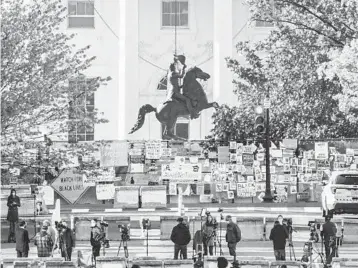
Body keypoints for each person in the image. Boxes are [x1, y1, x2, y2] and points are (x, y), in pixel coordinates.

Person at [166, 55, 199, 119]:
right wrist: (183, 68)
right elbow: (181, 76)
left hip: (174, 90)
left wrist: (182, 86)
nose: (176, 68)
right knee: (187, 99)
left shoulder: (170, 74)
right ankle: (192, 114)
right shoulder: (173, 73)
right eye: (175, 67)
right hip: (175, 92)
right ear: (173, 67)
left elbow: (175, 84)